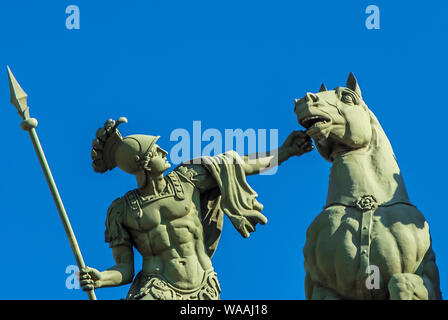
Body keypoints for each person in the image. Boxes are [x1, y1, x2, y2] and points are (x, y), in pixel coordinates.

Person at [80, 117, 313, 299]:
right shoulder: (123, 210)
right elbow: (125, 269)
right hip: (156, 288)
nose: (164, 152)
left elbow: (241, 165)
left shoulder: (188, 178)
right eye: (156, 150)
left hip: (203, 287)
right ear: (143, 162)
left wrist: (286, 151)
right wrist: (101, 278)